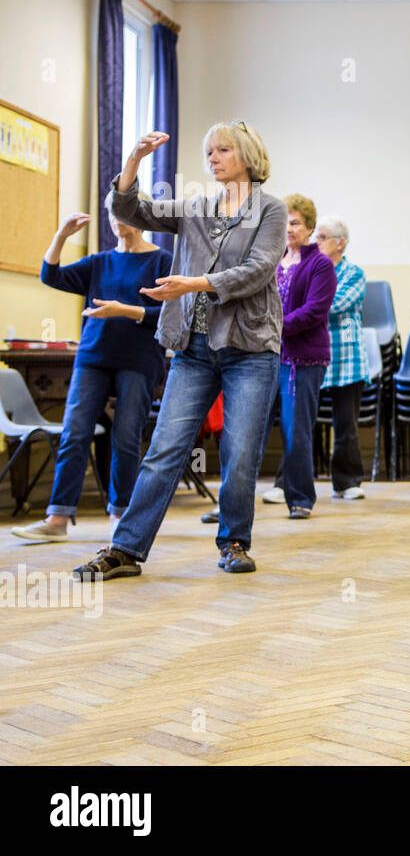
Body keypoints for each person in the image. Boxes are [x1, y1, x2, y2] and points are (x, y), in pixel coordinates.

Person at [72, 122, 287, 580]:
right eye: (208, 152)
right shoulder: (194, 208)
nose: (212, 158)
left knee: (240, 452)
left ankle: (233, 541)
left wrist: (195, 284)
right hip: (192, 348)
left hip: (250, 349)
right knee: (165, 449)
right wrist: (133, 160)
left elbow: (259, 268)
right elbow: (131, 207)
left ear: (247, 155)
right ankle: (125, 549)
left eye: (222, 150)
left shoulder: (270, 210)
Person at [12, 213, 170, 542]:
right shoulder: (99, 262)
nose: (116, 219)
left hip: (138, 361)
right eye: (112, 212)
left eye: (124, 212)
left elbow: (170, 315)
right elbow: (50, 275)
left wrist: (124, 310)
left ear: (139, 216)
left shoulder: (161, 261)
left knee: (125, 439)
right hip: (92, 358)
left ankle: (121, 516)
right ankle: (57, 519)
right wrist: (62, 235)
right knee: (74, 432)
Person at [258, 195, 336, 519]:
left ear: (310, 229)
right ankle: (232, 499)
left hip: (303, 360)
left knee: (295, 429)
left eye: (295, 223)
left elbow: (314, 312)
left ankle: (301, 498)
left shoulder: (321, 264)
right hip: (266, 355)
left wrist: (273, 328)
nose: (289, 229)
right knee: (252, 429)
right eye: (285, 222)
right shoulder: (272, 261)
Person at [316, 216, 368, 500]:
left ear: (340, 243)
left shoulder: (354, 273)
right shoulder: (309, 269)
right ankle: (289, 482)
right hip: (314, 356)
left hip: (347, 359)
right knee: (299, 422)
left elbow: (335, 305)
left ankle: (347, 482)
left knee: (345, 425)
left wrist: (311, 304)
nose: (317, 242)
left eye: (322, 237)